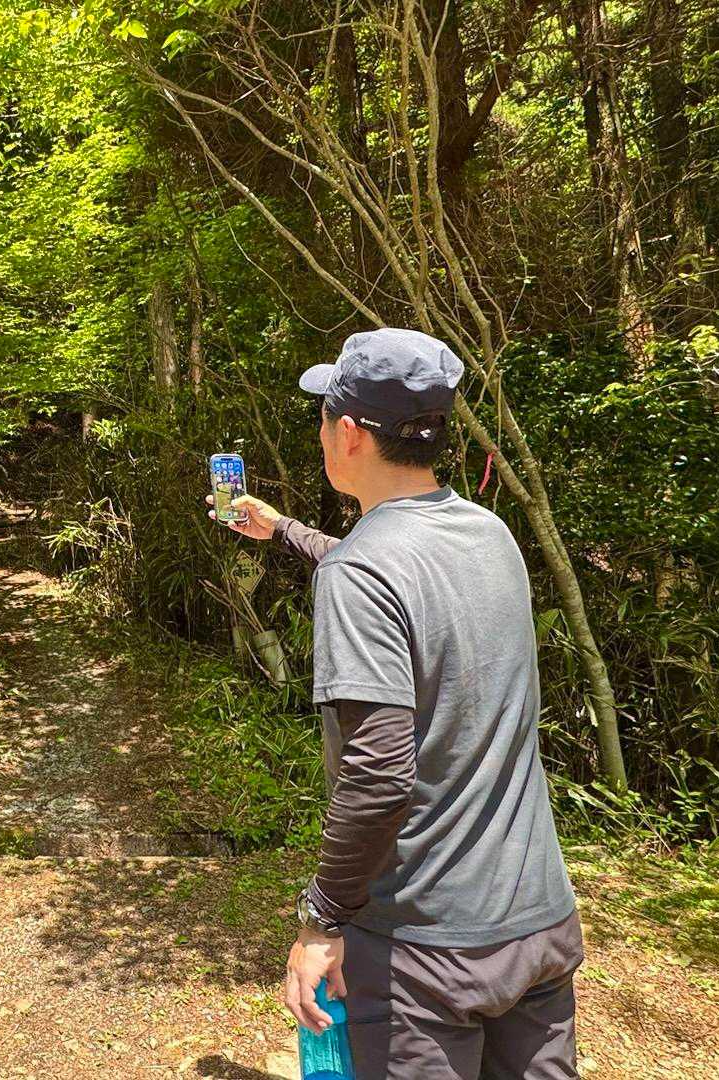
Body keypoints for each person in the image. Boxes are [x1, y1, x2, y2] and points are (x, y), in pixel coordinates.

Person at [207, 327, 583, 1079]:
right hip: (538, 923)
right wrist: (284, 530)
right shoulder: (489, 533)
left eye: (323, 417)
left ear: (348, 432)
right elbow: (386, 570)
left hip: (427, 950)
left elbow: (378, 774)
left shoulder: (362, 573)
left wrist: (321, 922)